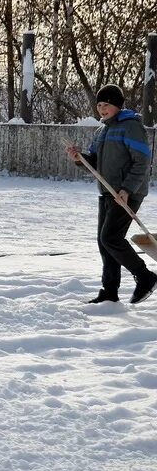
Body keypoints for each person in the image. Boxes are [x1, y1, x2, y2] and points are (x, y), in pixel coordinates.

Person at [64, 84, 156, 305]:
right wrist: (80, 158)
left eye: (107, 105)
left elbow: (142, 161)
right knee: (104, 242)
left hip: (127, 192)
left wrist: (127, 189)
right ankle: (110, 291)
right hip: (107, 192)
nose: (102, 109)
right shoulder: (101, 131)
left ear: (117, 105)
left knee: (111, 238)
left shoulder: (131, 127)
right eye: (99, 105)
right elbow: (94, 164)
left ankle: (145, 276)